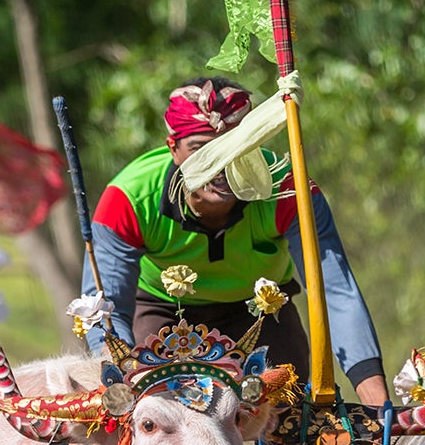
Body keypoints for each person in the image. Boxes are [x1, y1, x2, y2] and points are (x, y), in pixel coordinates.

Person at [81, 77, 388, 416]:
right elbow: (105, 309)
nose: (220, 166)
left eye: (235, 147)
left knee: (295, 421)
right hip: (164, 310)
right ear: (173, 148)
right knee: (154, 419)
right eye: (200, 150)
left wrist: (378, 408)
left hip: (262, 311)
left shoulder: (289, 187)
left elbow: (334, 293)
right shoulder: (128, 198)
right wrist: (118, 383)